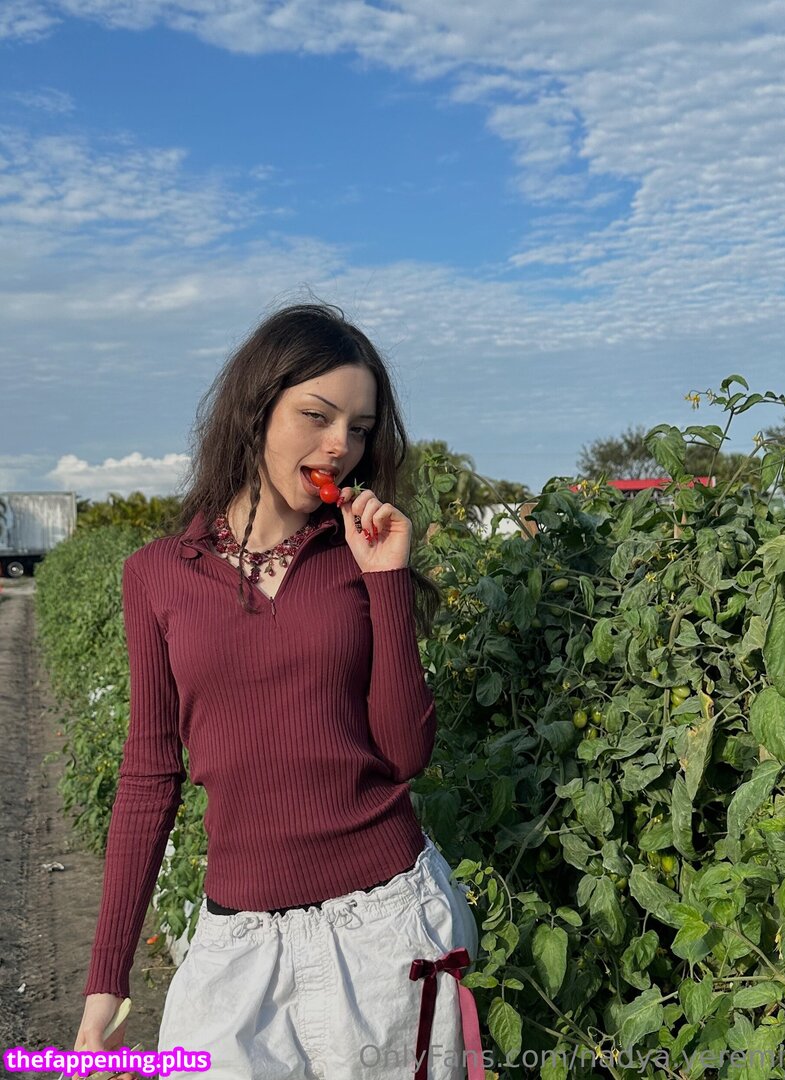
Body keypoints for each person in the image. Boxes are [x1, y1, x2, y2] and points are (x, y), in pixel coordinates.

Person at [72, 302, 480, 1079]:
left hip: (387, 927)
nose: (339, 446)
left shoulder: (358, 558)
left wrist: (386, 580)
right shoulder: (156, 574)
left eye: (359, 428)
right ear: (255, 411)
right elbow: (149, 775)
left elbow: (403, 754)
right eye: (316, 416)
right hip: (238, 943)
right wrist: (106, 980)